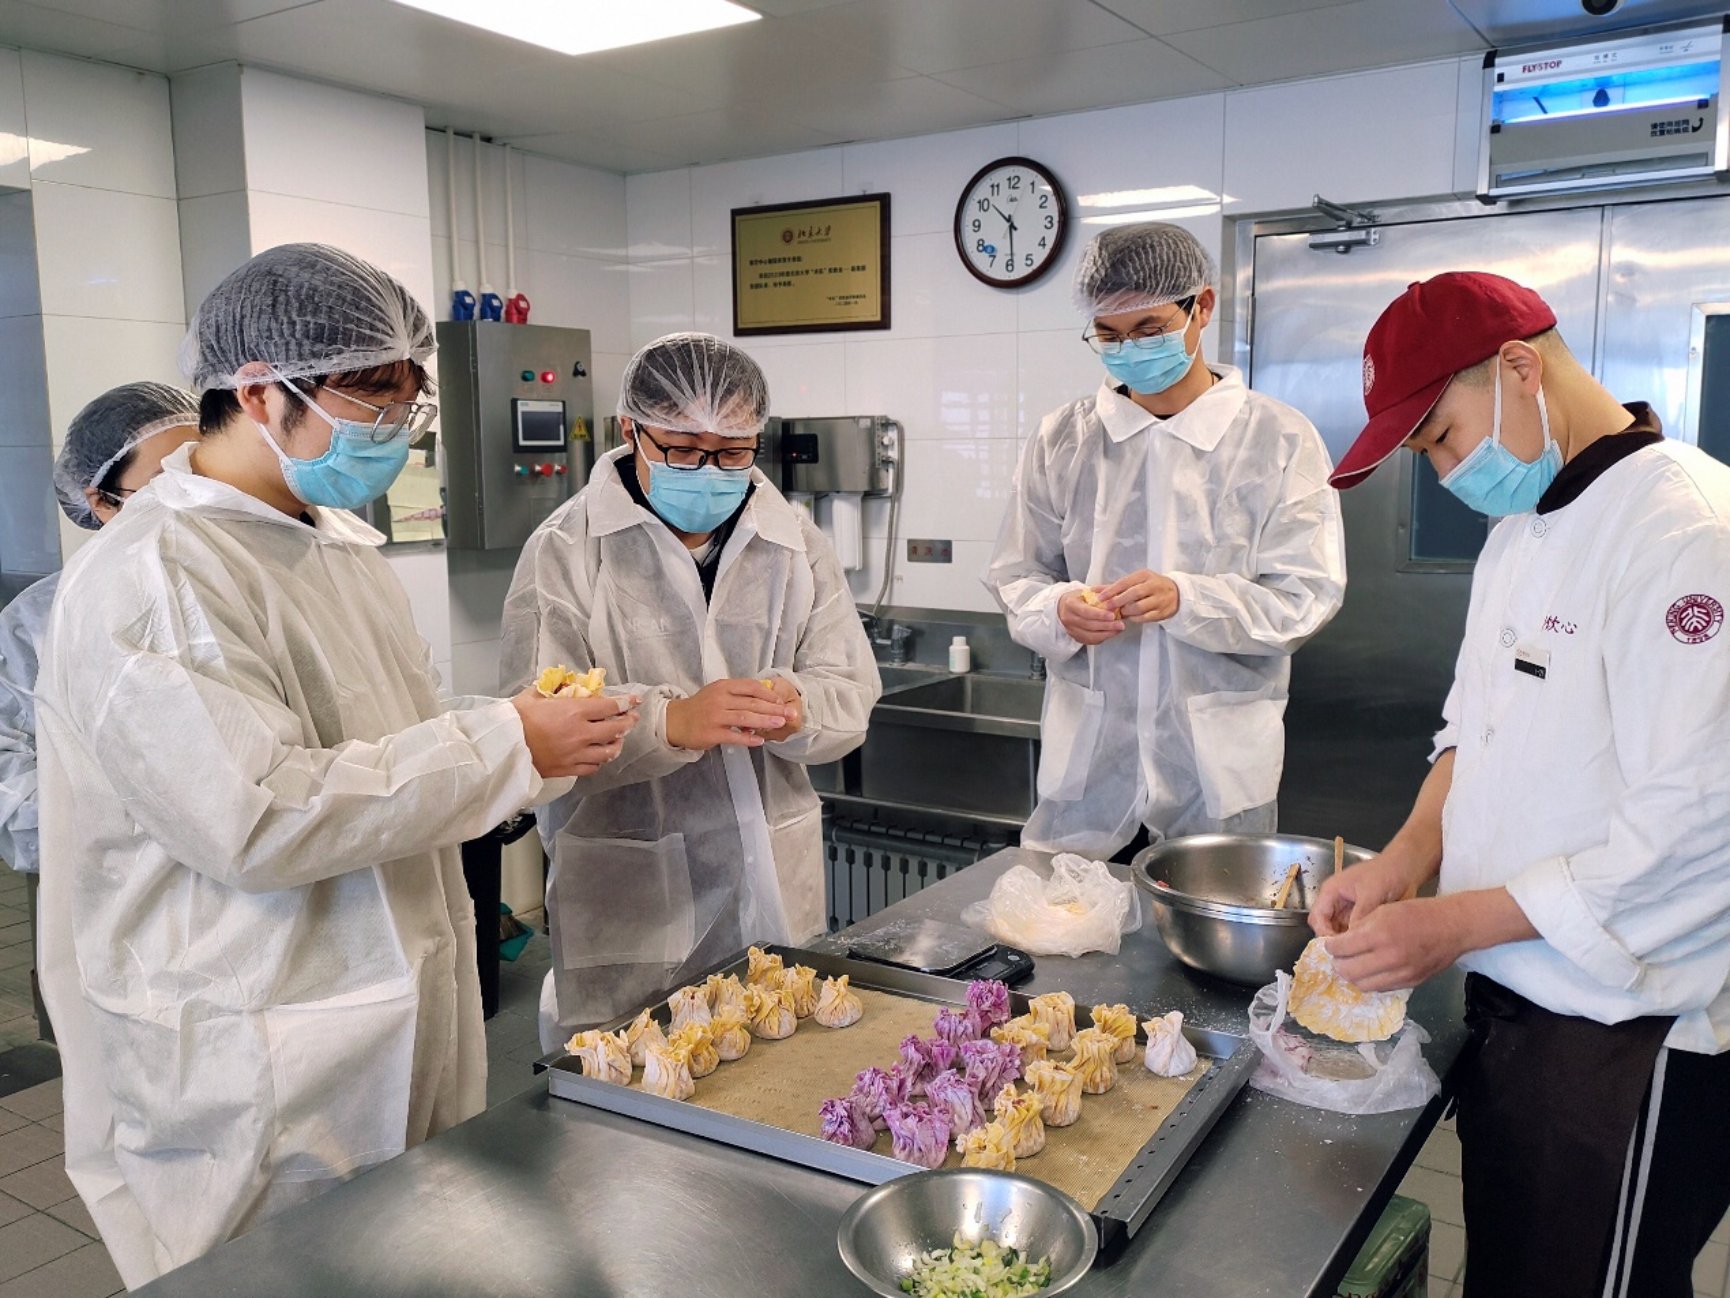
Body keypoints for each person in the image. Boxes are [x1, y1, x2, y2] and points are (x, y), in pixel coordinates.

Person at [33, 243, 638, 1286]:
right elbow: (255, 813)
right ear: (258, 391)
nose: (393, 427)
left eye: (407, 400)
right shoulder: (156, 577)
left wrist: (518, 729)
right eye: (368, 398)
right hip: (253, 1050)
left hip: (392, 1008)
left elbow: (381, 735)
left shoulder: (330, 545)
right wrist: (503, 744)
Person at [1313, 271, 1730, 1298]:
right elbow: (1473, 734)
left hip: (1629, 1037)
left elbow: (1697, 829)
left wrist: (1452, 925)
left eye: (1441, 437)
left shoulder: (1687, 532)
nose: (1445, 470)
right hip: (1518, 1004)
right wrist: (1404, 861)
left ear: (1517, 368)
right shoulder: (1518, 532)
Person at [501, 332, 880, 1045]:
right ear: (630, 431)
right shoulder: (566, 550)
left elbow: (851, 689)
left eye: (733, 452)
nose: (709, 471)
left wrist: (796, 708)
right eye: (682, 450)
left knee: (780, 1071)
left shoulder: (794, 542)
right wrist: (666, 722)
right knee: (633, 1084)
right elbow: (534, 728)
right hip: (633, 903)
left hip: (774, 879)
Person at [986, 222, 1346, 860]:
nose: (1129, 349)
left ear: (1201, 307)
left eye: (1149, 329)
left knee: (1204, 917)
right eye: (1109, 334)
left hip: (1213, 771)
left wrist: (1187, 599)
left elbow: (1305, 597)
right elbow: (1018, 575)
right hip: (1091, 770)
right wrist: (1057, 609)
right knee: (1072, 916)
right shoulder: (1062, 439)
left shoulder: (1278, 439)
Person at [0, 383, 203, 1034]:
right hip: (110, 905)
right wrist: (127, 832)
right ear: (100, 500)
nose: (194, 499)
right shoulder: (42, 621)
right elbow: (9, 772)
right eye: (166, 484)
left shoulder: (250, 591)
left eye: (202, 474)